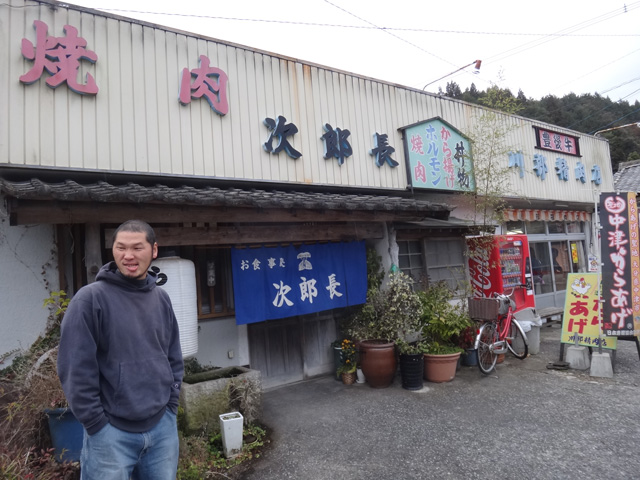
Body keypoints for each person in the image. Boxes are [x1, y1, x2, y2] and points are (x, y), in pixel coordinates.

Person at [57, 220, 184, 480]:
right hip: (111, 434)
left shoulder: (161, 299)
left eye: (137, 248)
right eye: (120, 248)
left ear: (154, 250)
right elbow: (75, 369)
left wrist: (171, 404)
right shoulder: (90, 300)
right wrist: (96, 424)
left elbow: (173, 356)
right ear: (112, 250)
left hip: (162, 427)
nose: (128, 256)